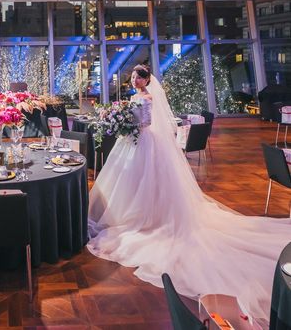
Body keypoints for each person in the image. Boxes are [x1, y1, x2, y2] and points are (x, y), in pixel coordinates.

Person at [87, 64, 290, 323]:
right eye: (134, 76)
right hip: (133, 141)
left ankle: (143, 216)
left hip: (143, 142)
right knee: (125, 180)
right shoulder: (136, 96)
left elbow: (146, 123)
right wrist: (122, 119)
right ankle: (120, 212)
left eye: (139, 77)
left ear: (147, 80)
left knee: (143, 181)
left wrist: (126, 121)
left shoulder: (147, 98)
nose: (135, 80)